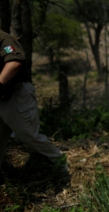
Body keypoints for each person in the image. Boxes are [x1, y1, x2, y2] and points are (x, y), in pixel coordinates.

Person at [0, 29, 67, 173]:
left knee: (29, 135)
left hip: (15, 95)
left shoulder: (4, 40)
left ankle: (62, 165)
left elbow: (14, 63)